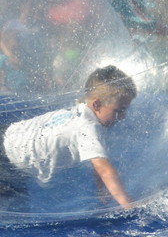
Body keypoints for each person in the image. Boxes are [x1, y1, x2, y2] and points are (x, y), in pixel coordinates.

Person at [0, 65, 137, 209]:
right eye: (119, 110)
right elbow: (103, 169)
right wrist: (129, 205)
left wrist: (102, 191)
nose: (123, 116)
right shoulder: (88, 127)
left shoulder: (80, 110)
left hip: (9, 135)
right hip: (6, 159)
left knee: (19, 199)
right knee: (15, 205)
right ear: (96, 104)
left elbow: (97, 161)